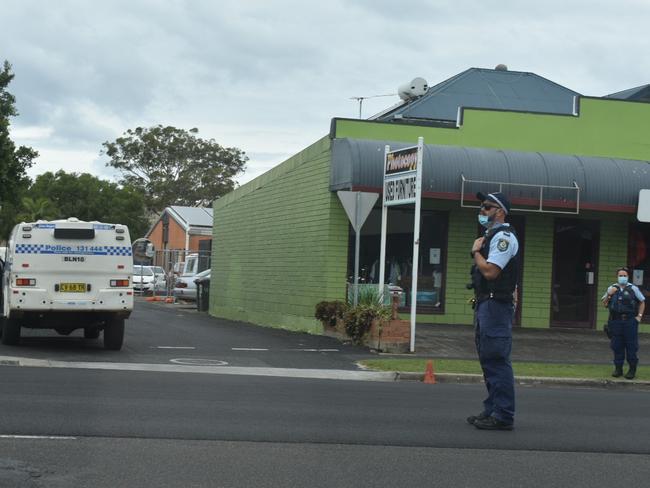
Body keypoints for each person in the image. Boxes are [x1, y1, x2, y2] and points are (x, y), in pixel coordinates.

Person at [467, 191, 519, 431]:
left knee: (497, 360)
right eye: (481, 207)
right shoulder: (490, 236)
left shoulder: (503, 238)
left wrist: (476, 252)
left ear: (500, 211)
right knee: (488, 361)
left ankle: (503, 414)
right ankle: (492, 408)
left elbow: (491, 272)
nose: (482, 212)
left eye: (487, 207)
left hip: (495, 306)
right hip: (486, 304)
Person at [602, 267, 645, 379]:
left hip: (630, 321)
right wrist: (610, 294)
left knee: (631, 346)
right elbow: (605, 304)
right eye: (620, 275)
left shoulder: (633, 289)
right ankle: (618, 369)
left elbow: (642, 302)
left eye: (624, 275)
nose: (622, 277)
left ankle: (632, 369)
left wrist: (639, 317)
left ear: (628, 276)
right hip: (616, 321)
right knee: (617, 345)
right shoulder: (612, 288)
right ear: (617, 276)